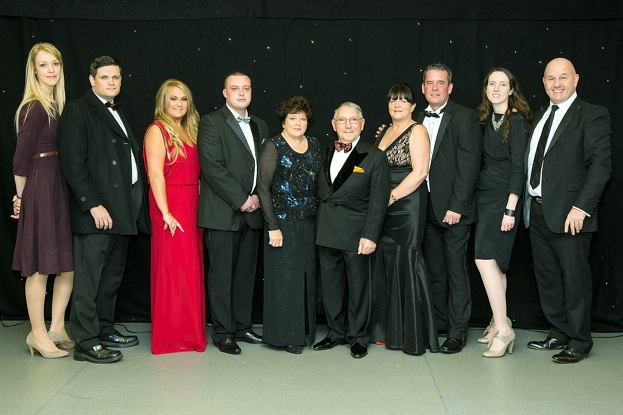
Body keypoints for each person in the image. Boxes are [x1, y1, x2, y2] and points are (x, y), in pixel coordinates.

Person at [58, 56, 151, 363]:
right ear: (92, 80)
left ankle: (105, 329)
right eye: (105, 77)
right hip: (97, 212)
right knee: (89, 280)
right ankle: (85, 341)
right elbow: (73, 164)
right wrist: (92, 204)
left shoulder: (117, 111)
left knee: (111, 278)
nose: (112, 82)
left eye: (116, 77)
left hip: (122, 210)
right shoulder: (78, 110)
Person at [525, 58, 611, 364]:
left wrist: (581, 208)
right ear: (544, 82)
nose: (556, 83)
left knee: (575, 280)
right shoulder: (539, 117)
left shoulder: (592, 115)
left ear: (576, 79)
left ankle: (579, 340)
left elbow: (600, 167)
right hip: (536, 211)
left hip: (571, 214)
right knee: (548, 278)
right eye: (550, 78)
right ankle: (558, 332)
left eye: (563, 77)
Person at [197, 71, 269, 354]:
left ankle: (242, 325)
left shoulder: (261, 125)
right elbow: (213, 167)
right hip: (223, 212)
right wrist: (242, 199)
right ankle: (223, 332)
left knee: (245, 275)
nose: (241, 93)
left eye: (246, 88)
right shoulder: (211, 122)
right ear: (224, 93)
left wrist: (259, 198)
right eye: (235, 88)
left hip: (253, 212)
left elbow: (265, 167)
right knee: (222, 275)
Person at [313, 102, 390, 359]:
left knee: (359, 288)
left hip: (357, 234)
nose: (348, 125)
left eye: (353, 120)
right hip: (327, 230)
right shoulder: (323, 152)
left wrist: (370, 235)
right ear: (334, 125)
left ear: (362, 123)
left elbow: (379, 200)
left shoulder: (375, 156)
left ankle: (359, 337)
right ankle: (335, 333)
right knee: (332, 288)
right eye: (342, 120)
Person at [11, 42, 74, 359]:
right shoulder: (34, 107)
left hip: (57, 185)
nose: (51, 70)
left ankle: (57, 327)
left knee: (66, 264)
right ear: (33, 70)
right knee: (39, 267)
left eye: (55, 64)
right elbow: (20, 161)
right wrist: (21, 198)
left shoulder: (57, 104)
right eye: (44, 65)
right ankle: (36, 334)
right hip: (39, 188)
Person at [417, 63, 482, 354]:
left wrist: (458, 206)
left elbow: (469, 167)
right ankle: (438, 326)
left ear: (450, 88)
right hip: (424, 209)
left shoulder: (465, 117)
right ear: (423, 88)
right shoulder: (416, 117)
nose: (434, 87)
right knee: (435, 271)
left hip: (453, 209)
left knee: (456, 272)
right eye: (429, 83)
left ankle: (457, 333)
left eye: (440, 83)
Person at [370, 83, 438, 356]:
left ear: (413, 106)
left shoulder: (418, 130)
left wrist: (392, 196)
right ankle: (388, 332)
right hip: (384, 204)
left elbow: (420, 172)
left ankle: (412, 334)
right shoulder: (384, 132)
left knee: (406, 261)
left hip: (407, 204)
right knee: (386, 262)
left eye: (403, 100)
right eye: (392, 100)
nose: (397, 104)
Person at [143, 79, 206, 354]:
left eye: (183, 99)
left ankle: (191, 334)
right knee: (172, 270)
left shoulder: (191, 129)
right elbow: (155, 174)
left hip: (192, 204)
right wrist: (166, 212)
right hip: (169, 204)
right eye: (173, 99)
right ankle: (170, 337)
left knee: (190, 270)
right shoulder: (157, 130)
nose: (179, 104)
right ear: (163, 102)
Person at [474, 68, 531, 357]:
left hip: (503, 201)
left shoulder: (517, 121)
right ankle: (501, 322)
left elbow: (518, 169)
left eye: (503, 84)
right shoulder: (486, 119)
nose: (496, 88)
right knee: (495, 264)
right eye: (492, 83)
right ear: (486, 89)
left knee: (484, 259)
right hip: (484, 199)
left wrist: (510, 209)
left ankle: (505, 331)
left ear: (511, 90)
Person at [257, 96, 321, 354]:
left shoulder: (315, 144)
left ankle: (304, 332)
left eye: (302, 118)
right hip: (282, 223)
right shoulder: (274, 145)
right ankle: (285, 337)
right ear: (283, 120)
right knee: (285, 280)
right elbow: (263, 187)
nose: (298, 122)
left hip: (310, 222)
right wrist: (272, 226)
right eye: (292, 117)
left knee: (306, 278)